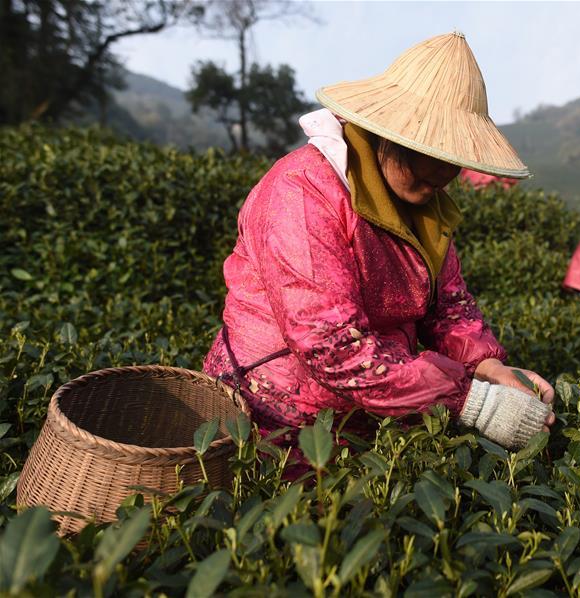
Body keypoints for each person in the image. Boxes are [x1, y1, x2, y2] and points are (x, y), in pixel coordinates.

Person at [202, 33, 555, 471]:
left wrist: (488, 367)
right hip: (274, 414)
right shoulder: (302, 193)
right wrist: (469, 400)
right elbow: (330, 346)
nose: (439, 178)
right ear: (387, 135)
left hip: (379, 409)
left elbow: (447, 305)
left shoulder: (423, 202)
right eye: (425, 161)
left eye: (451, 165)